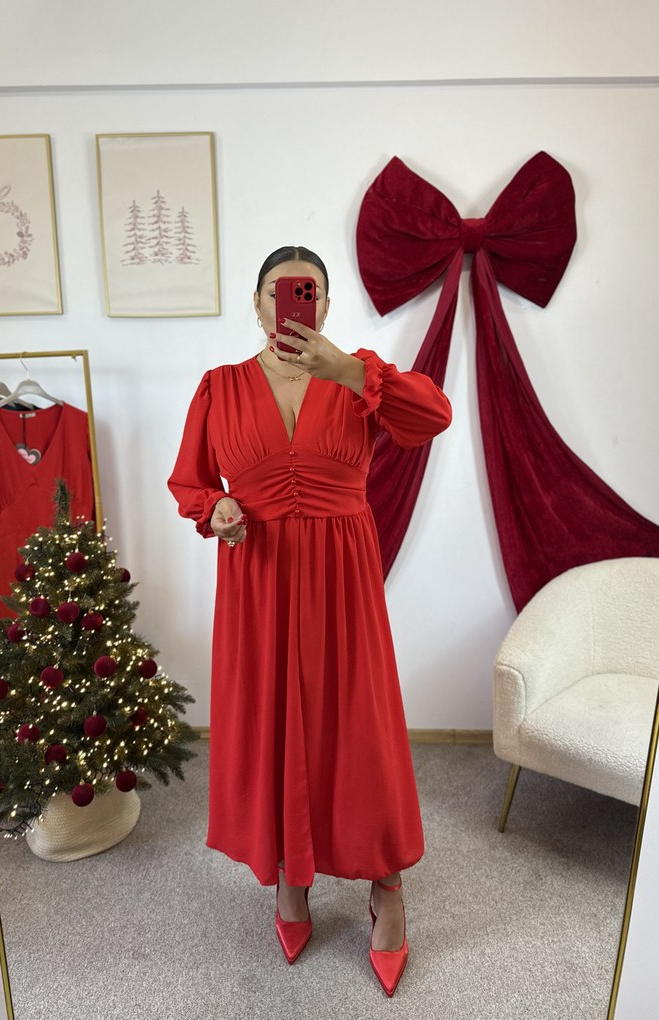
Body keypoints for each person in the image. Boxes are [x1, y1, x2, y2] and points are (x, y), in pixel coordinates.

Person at [168, 245, 452, 996]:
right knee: (273, 719)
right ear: (257, 303)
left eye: (311, 291)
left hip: (342, 576)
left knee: (357, 725)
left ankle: (386, 886)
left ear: (324, 305)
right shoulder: (220, 386)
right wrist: (215, 509)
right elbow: (190, 482)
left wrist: (350, 371)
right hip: (258, 575)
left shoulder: (360, 377)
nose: (296, 301)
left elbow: (435, 415)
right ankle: (290, 876)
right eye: (280, 290)